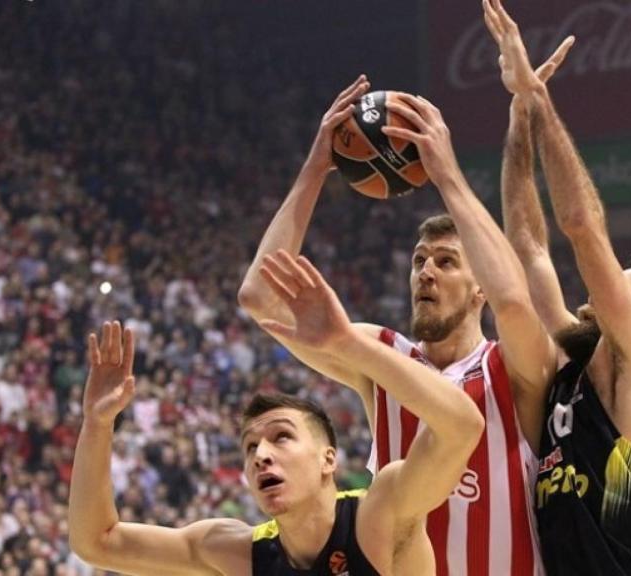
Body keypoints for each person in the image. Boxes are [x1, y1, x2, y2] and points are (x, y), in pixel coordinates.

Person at [238, 73, 566, 575]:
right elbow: (260, 299)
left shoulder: (515, 366)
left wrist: (447, 174)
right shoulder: (381, 356)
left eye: (446, 262)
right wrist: (317, 169)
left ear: (481, 288)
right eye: (419, 261)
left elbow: (517, 303)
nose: (427, 272)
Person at [483, 0, 631, 573]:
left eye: (622, 288)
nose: (594, 295)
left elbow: (581, 228)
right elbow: (528, 246)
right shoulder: (573, 357)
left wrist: (542, 99)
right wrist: (519, 113)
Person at [68, 251, 485, 575]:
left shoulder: (383, 511)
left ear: (328, 460)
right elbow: (98, 543)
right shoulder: (237, 552)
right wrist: (97, 426)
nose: (260, 455)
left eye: (281, 437)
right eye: (250, 447)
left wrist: (348, 345)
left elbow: (463, 427)